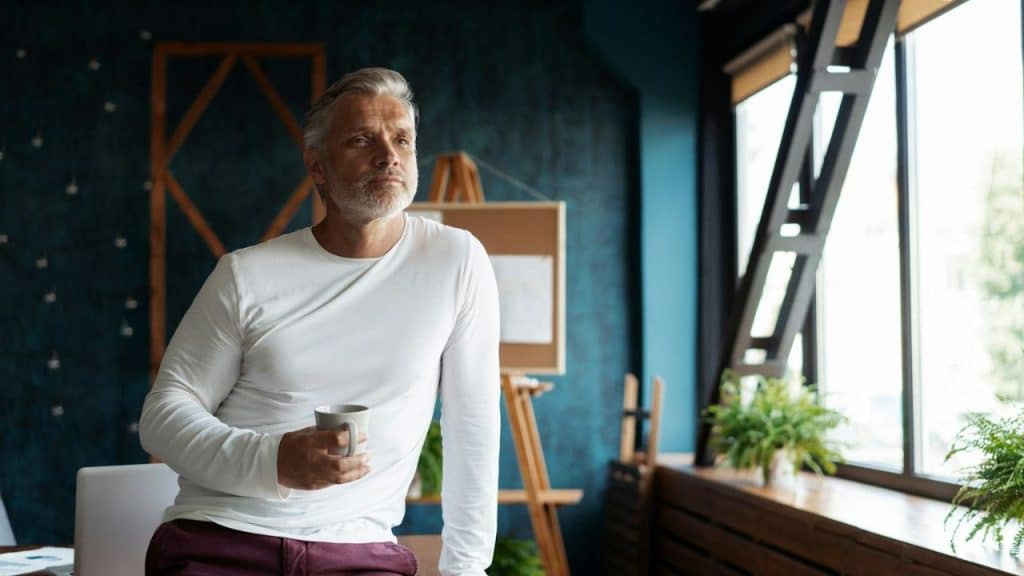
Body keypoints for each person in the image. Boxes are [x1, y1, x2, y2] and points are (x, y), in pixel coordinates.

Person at [139, 67, 500, 576]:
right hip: (223, 537)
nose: (388, 154)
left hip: (358, 550)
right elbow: (163, 415)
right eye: (361, 140)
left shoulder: (455, 260)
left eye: (402, 139)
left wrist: (466, 570)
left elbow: (473, 426)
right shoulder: (245, 274)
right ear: (318, 167)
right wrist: (272, 461)